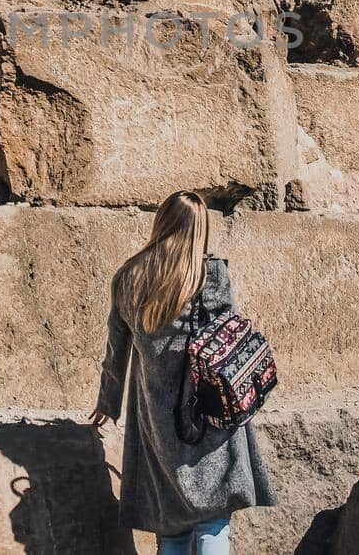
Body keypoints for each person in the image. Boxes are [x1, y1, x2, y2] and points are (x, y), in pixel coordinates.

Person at [89, 190, 276, 554]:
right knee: (212, 525)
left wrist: (107, 403)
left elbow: (116, 353)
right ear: (200, 229)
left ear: (162, 222)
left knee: (171, 531)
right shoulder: (212, 276)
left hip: (157, 422)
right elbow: (230, 344)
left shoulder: (127, 278)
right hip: (209, 415)